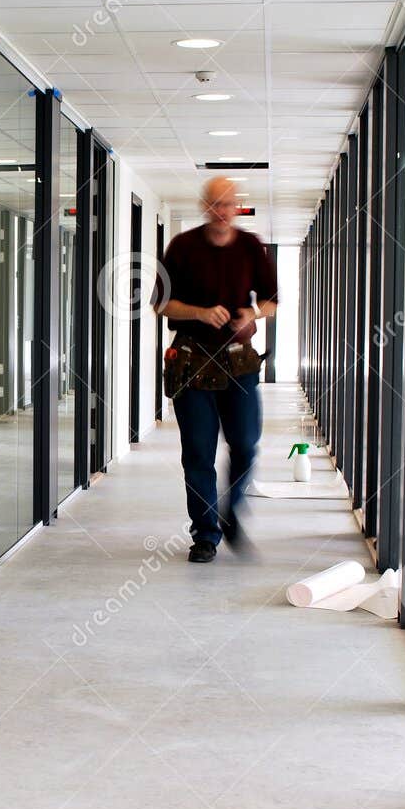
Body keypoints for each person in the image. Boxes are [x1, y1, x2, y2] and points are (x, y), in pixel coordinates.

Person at [153, 177, 279, 563]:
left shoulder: (250, 247)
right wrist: (200, 313)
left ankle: (231, 511)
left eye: (227, 204)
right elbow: (161, 305)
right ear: (204, 207)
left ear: (236, 206)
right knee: (198, 451)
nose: (221, 211)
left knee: (244, 443)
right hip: (191, 361)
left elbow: (272, 301)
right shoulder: (182, 247)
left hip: (239, 362)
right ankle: (205, 534)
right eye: (214, 204)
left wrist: (252, 313)